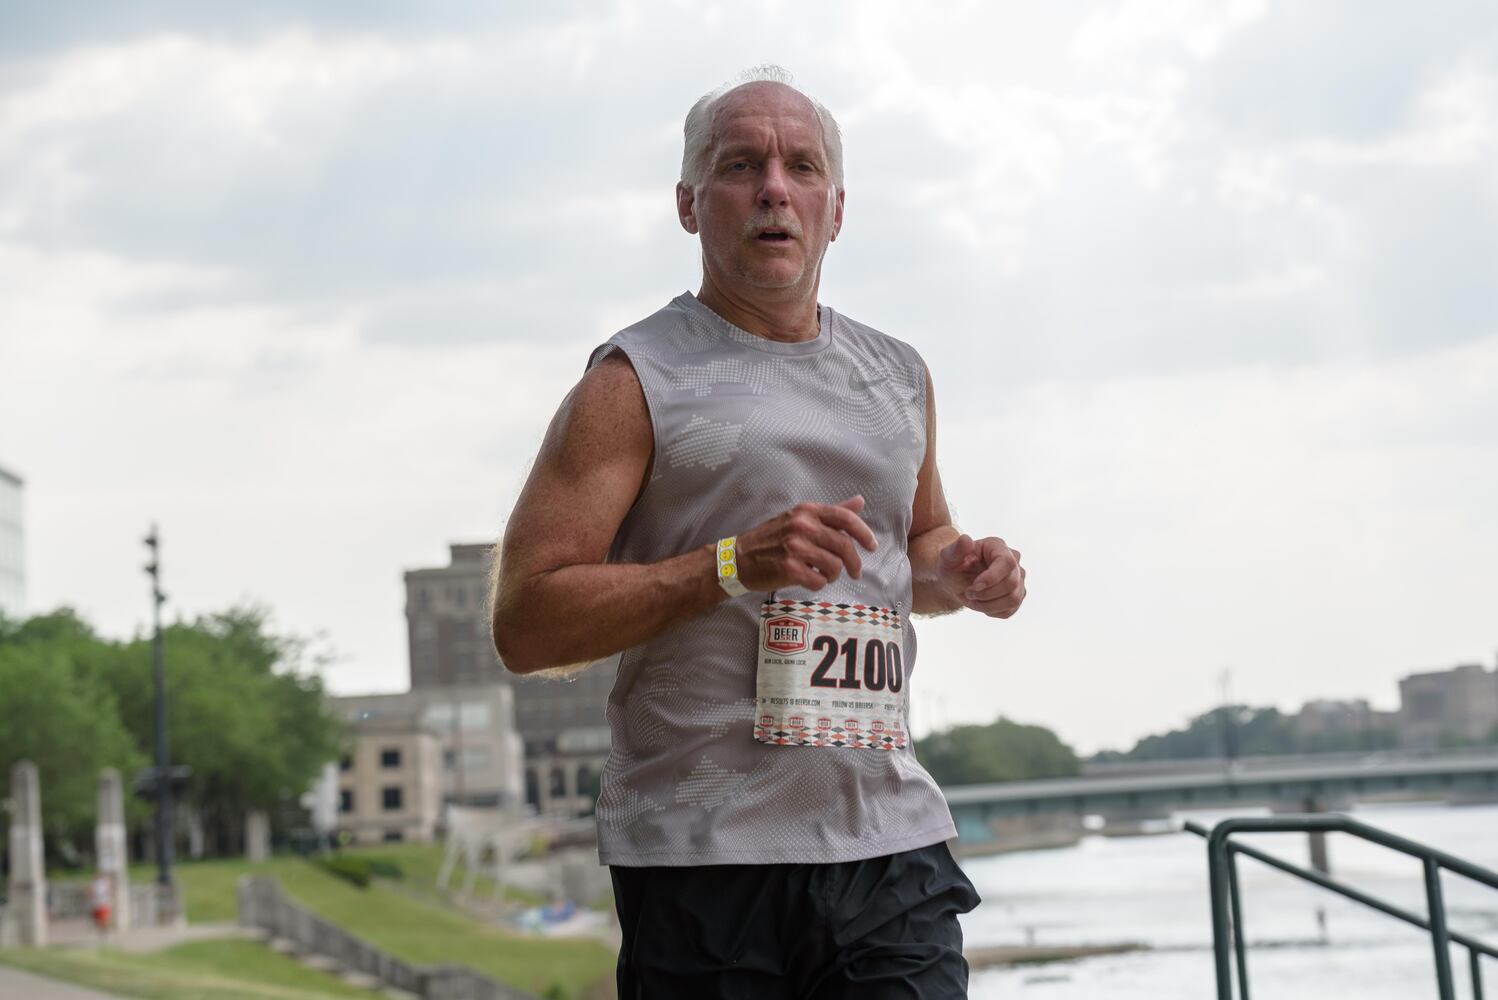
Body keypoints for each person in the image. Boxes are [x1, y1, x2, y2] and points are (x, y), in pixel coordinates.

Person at [491, 65, 1027, 999]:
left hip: (887, 845)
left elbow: (920, 547)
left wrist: (966, 568)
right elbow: (527, 622)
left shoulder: (898, 375)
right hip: (705, 858)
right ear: (690, 203)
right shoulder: (631, 381)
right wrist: (734, 563)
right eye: (742, 165)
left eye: (802, 167)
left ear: (837, 207)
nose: (775, 188)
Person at [89, 871, 112, 942]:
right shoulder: (94, 884)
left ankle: (105, 934)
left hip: (103, 904)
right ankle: (102, 934)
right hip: (97, 904)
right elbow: (90, 892)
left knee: (104, 920)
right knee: (98, 921)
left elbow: (109, 890)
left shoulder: (104, 883)